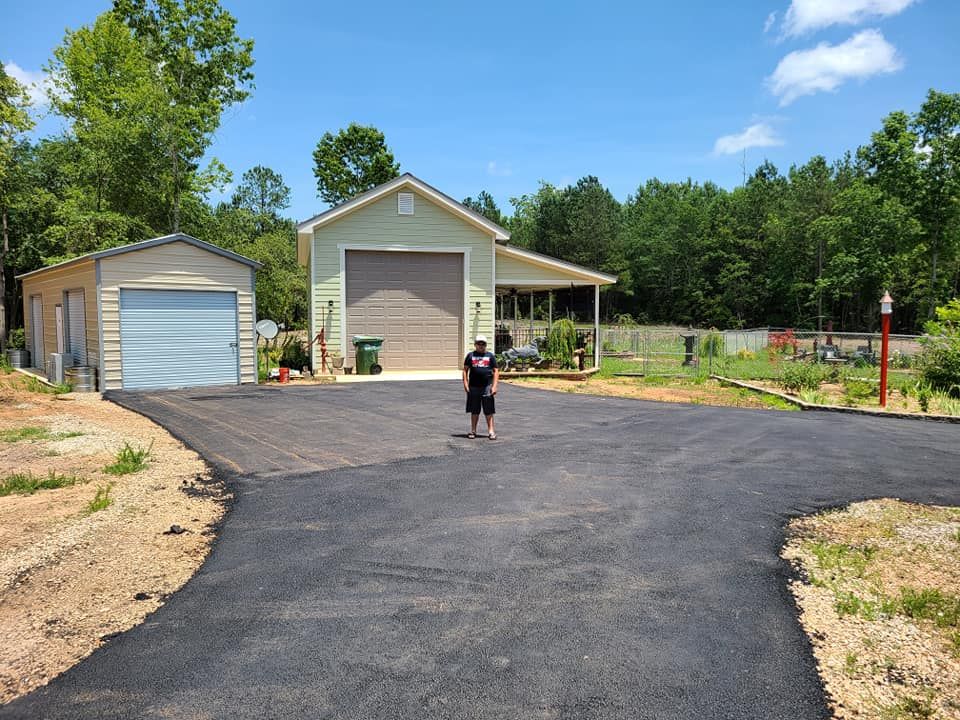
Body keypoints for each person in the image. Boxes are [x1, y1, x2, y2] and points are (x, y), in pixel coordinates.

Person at [463, 335, 499, 439]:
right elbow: (465, 370)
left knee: (489, 410)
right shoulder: (470, 356)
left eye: (483, 344)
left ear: (486, 345)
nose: (481, 346)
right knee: (475, 410)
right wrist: (465, 383)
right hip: (473, 387)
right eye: (479, 344)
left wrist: (494, 386)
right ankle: (473, 431)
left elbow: (496, 370)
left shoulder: (490, 356)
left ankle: (491, 431)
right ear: (475, 345)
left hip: (487, 387)